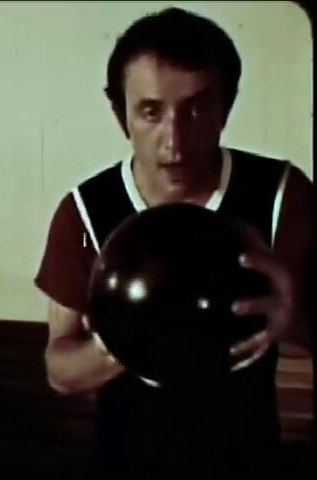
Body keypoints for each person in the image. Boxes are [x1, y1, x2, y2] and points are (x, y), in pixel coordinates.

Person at [35, 7, 315, 479]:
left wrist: (295, 319)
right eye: (151, 112)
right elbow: (59, 370)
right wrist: (118, 343)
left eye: (197, 108)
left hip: (247, 459)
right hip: (124, 461)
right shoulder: (85, 211)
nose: (176, 142)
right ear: (121, 113)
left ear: (226, 104)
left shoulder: (282, 195)